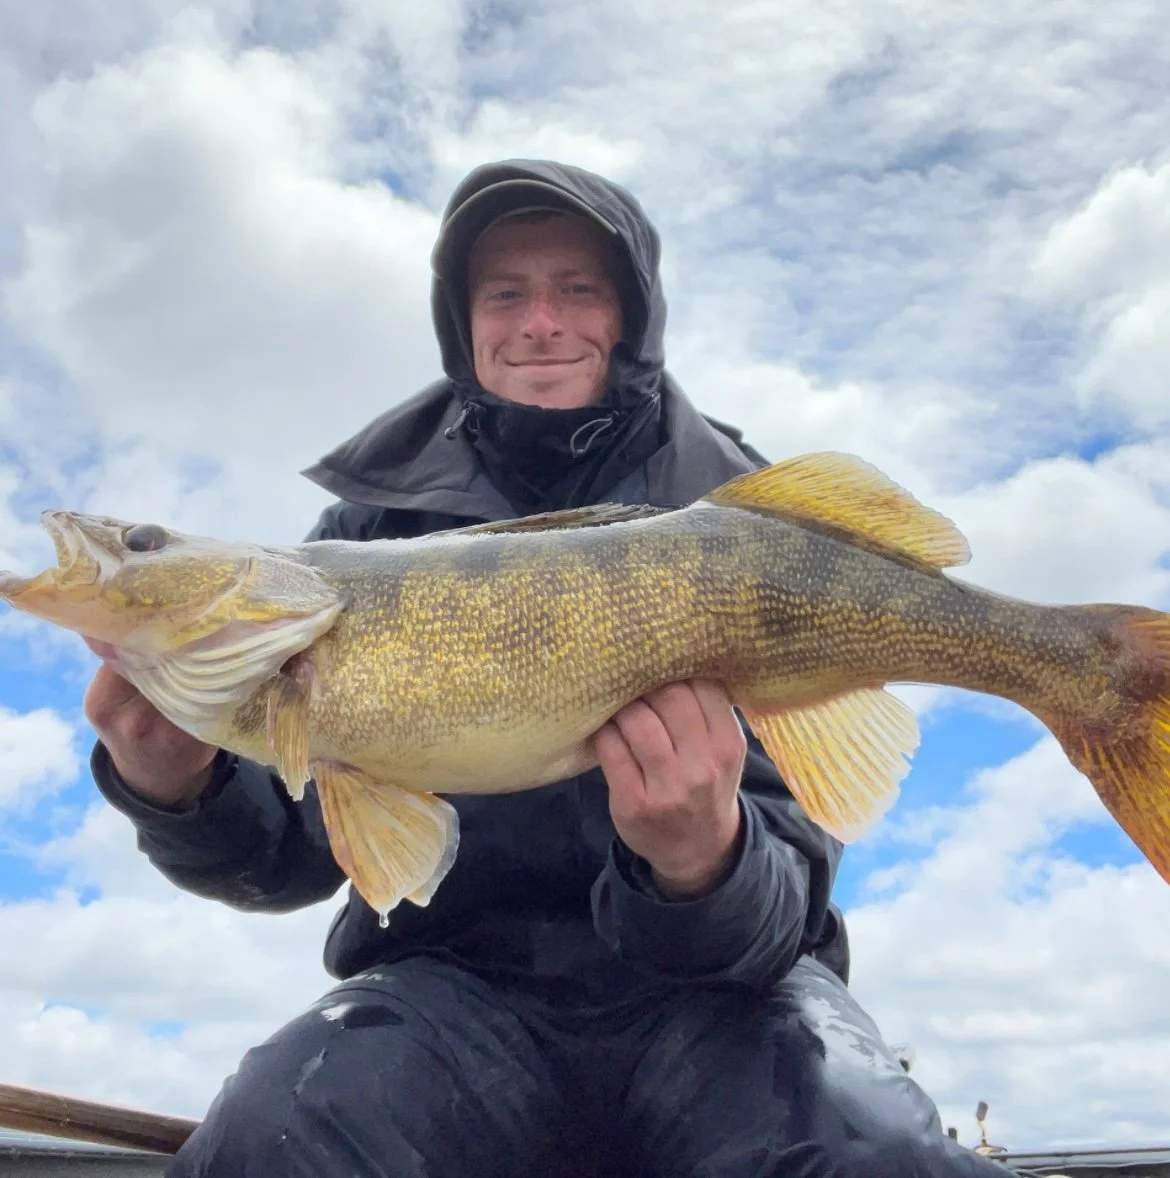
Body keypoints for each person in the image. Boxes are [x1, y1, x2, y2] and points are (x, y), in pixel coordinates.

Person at [85, 160, 1003, 1177]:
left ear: (632, 316)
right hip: (451, 991)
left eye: (578, 288)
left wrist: (704, 862)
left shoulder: (746, 514)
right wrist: (181, 789)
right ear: (462, 321)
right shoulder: (362, 536)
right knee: (277, 1137)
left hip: (726, 996)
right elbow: (293, 852)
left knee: (867, 1147)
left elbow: (785, 886)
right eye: (505, 293)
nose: (540, 323)